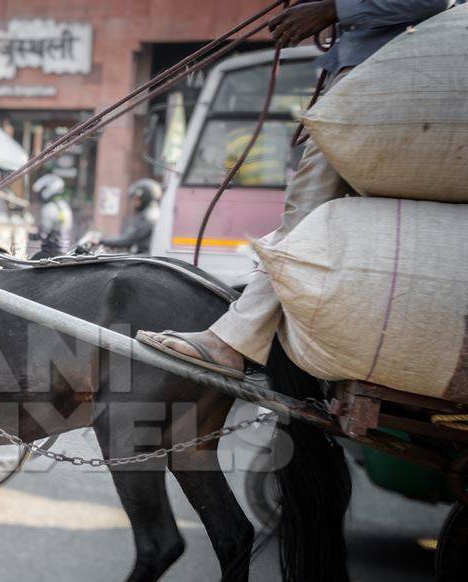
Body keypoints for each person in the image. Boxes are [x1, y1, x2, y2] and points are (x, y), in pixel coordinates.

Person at [137, 0, 452, 377]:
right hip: (364, 79)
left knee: (302, 215)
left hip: (379, 86)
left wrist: (335, 9)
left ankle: (232, 342)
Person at [99, 178, 162, 254]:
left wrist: (101, 240)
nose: (135, 203)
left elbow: (128, 240)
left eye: (137, 199)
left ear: (146, 198)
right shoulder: (149, 213)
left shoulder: (150, 216)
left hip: (144, 260)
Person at [31, 173, 73, 258]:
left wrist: (31, 234)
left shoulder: (50, 208)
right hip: (63, 252)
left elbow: (44, 232)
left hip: (52, 252)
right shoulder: (64, 206)